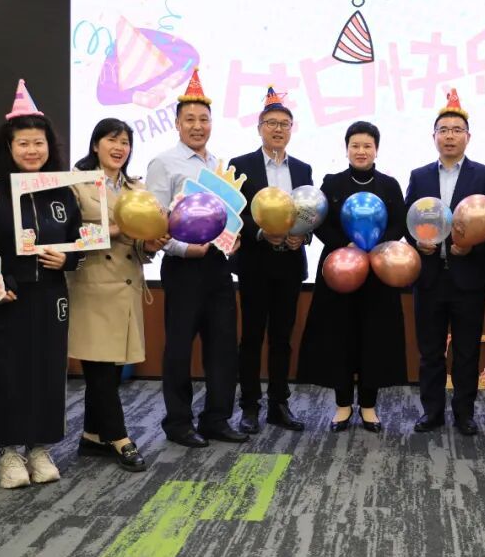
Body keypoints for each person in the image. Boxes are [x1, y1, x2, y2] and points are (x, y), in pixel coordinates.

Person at [0, 81, 83, 489]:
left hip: (51, 296)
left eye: (39, 143)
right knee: (6, 371)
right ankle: (8, 453)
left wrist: (68, 259)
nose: (32, 150)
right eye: (24, 143)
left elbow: (80, 241)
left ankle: (39, 447)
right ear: (9, 147)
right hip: (6, 297)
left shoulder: (63, 192)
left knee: (47, 371)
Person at [146, 68, 248, 448]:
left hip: (218, 267)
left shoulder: (217, 165)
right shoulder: (164, 163)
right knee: (178, 348)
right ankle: (178, 422)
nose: (197, 126)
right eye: (189, 119)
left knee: (223, 346)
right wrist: (184, 248)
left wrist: (233, 239)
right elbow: (155, 223)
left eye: (203, 119)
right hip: (183, 267)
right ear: (176, 124)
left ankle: (217, 418)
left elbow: (224, 217)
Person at [69, 118, 167, 472]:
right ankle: (119, 437)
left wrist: (150, 244)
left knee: (110, 369)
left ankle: (92, 435)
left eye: (125, 142)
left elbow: (137, 242)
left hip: (126, 286)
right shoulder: (76, 184)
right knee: (98, 367)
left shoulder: (137, 188)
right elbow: (69, 236)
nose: (119, 148)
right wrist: (116, 228)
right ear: (96, 144)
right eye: (112, 140)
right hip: (92, 285)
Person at [296, 121, 409, 431]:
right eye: (355, 145)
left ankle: (369, 406)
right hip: (340, 270)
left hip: (378, 271)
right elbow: (319, 221)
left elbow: (399, 223)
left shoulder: (389, 185)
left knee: (375, 337)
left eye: (367, 146)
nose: (361, 151)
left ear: (376, 150)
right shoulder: (332, 183)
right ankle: (343, 405)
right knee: (339, 336)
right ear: (346, 149)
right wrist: (344, 245)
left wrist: (375, 245)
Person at [405, 89, 485, 436]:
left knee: (466, 351)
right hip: (429, 277)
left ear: (468, 137)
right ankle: (431, 412)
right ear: (433, 136)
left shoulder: (484, 175)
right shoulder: (419, 176)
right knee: (430, 352)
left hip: (468, 278)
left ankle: (464, 413)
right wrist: (418, 244)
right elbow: (408, 219)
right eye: (443, 130)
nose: (449, 136)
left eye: (456, 130)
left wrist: (470, 247)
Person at [230, 88, 313, 434]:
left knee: (282, 338)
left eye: (284, 124)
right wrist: (262, 233)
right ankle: (250, 405)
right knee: (251, 337)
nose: (278, 129)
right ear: (260, 128)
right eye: (272, 123)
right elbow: (235, 214)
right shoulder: (241, 166)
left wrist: (302, 235)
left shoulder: (303, 169)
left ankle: (279, 403)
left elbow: (311, 212)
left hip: (289, 264)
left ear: (291, 129)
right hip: (255, 263)